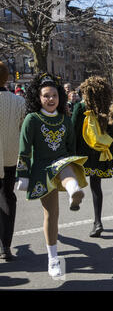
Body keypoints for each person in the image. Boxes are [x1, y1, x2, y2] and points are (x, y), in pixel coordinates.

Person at [16, 73, 88, 278]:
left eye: (54, 95)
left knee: (64, 166)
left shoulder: (65, 120)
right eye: (46, 95)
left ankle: (74, 191)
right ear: (38, 98)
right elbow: (24, 148)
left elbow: (71, 146)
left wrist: (73, 161)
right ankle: (53, 258)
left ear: (60, 97)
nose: (50, 99)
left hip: (62, 163)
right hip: (41, 169)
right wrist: (23, 174)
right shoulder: (32, 119)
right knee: (52, 214)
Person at [72, 76, 113, 237]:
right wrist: (112, 156)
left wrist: (71, 153)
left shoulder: (80, 108)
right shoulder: (108, 109)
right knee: (96, 187)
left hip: (83, 154)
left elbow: (74, 130)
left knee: (73, 179)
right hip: (100, 154)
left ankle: (74, 197)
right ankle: (97, 221)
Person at [0, 61, 26, 261]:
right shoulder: (18, 101)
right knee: (8, 197)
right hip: (10, 156)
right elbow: (21, 128)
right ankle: (5, 245)